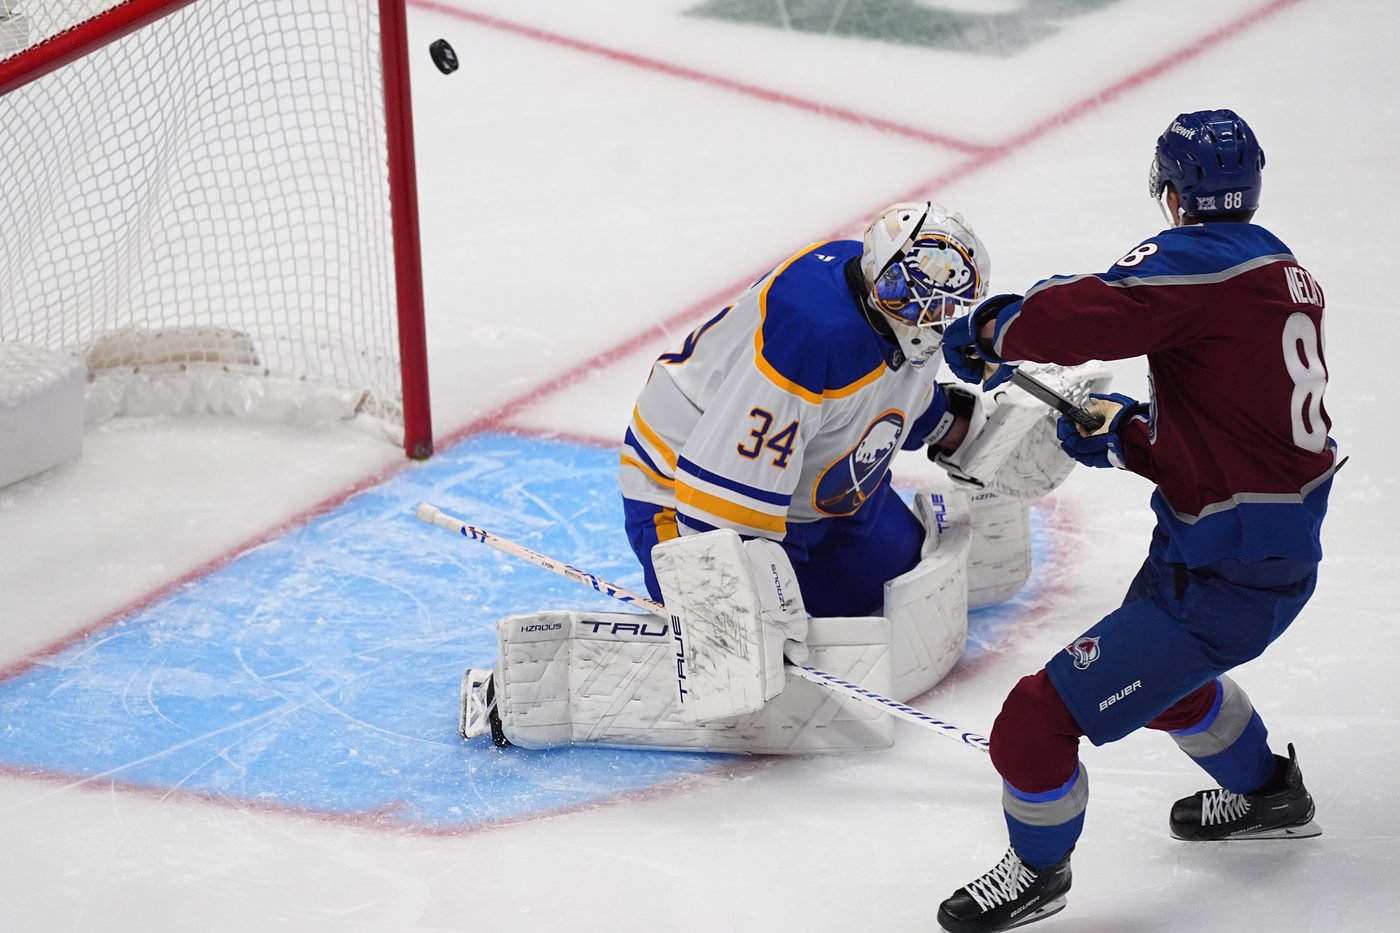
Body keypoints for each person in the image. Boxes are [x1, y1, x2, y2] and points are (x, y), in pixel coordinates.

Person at [457, 202, 1103, 754]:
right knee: (739, 657)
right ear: (878, 272)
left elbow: (880, 397)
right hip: (685, 493)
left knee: (890, 599)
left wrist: (966, 430)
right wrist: (751, 605)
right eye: (909, 295)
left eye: (941, 305)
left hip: (821, 490)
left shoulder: (905, 308)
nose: (923, 313)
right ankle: (529, 689)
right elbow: (716, 502)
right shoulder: (811, 330)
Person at [932, 109, 1341, 933]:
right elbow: (1246, 433)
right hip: (1238, 547)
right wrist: (1128, 437)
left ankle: (1038, 871)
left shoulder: (1193, 264)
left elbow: (1085, 312)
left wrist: (994, 327)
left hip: (1226, 573)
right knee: (1168, 690)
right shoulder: (1279, 270)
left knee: (1032, 721)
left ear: (1173, 193)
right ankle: (1269, 793)